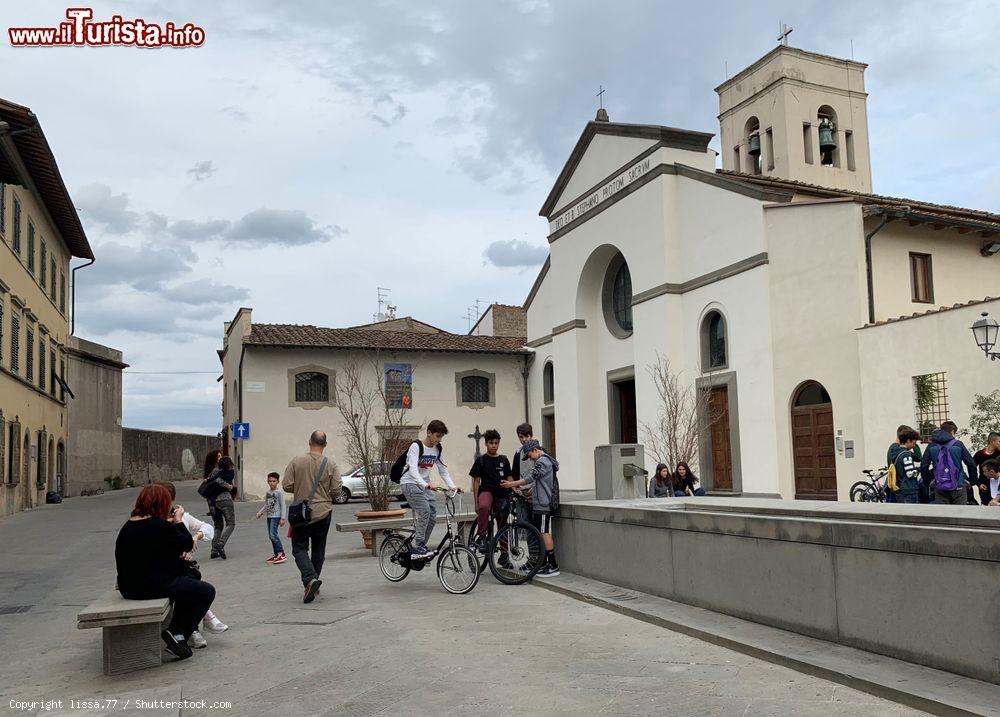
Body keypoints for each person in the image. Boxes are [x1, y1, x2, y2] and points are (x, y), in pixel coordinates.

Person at [115, 484, 215, 661]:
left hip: (128, 586)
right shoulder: (159, 525)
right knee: (205, 591)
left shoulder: (128, 526)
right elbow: (186, 544)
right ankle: (178, 632)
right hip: (151, 586)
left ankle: (177, 634)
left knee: (188, 580)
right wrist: (178, 520)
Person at [155, 481, 228, 646]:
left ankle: (195, 628)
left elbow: (207, 527)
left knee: (192, 575)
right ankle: (200, 623)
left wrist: (196, 536)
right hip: (169, 573)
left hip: (181, 570)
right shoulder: (156, 522)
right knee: (192, 579)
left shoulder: (182, 517)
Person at [282, 430, 341, 604]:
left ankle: (309, 579)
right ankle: (312, 580)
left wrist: (301, 488)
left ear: (309, 442)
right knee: (319, 548)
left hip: (301, 512)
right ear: (325, 444)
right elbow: (337, 490)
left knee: (299, 548)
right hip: (323, 511)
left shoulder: (297, 461)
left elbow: (286, 485)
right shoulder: (331, 464)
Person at [400, 420, 459, 560]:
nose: (439, 440)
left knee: (432, 516)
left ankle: (420, 547)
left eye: (441, 437)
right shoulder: (416, 446)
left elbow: (443, 470)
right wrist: (425, 484)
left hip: (424, 485)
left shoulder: (438, 449)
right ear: (429, 433)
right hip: (410, 482)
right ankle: (419, 545)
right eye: (437, 436)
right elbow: (413, 470)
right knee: (425, 510)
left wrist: (453, 486)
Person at [502, 440, 559, 577]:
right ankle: (544, 563)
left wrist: (511, 484)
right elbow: (539, 481)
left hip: (544, 504)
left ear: (534, 450)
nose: (530, 459)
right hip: (539, 503)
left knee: (544, 533)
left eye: (529, 455)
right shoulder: (544, 461)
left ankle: (553, 565)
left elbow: (530, 478)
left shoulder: (542, 461)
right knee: (540, 532)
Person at [469, 429, 512, 550]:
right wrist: (476, 502)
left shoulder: (504, 459)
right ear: (486, 444)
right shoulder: (481, 460)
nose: (494, 445)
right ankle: (482, 536)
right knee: (484, 507)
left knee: (503, 523)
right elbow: (476, 481)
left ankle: (504, 554)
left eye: (496, 443)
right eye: (491, 443)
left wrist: (514, 488)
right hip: (486, 491)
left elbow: (509, 477)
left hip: (502, 494)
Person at [920, 421, 977, 505]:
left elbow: (924, 466)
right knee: (960, 514)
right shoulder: (958, 444)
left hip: (940, 486)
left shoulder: (931, 446)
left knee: (942, 514)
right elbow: (970, 463)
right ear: (952, 432)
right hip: (959, 485)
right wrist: (972, 481)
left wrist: (927, 481)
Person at [887, 425, 926, 502]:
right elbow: (910, 473)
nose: (914, 445)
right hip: (909, 489)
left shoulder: (896, 452)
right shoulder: (906, 454)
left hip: (900, 488)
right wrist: (918, 470)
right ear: (908, 441)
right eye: (914, 443)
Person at [255, 472, 288, 564]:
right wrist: (260, 512)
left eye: (274, 481)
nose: (272, 483)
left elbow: (283, 506)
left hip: (276, 516)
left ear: (278, 482)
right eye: (270, 481)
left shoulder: (279, 493)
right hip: (269, 516)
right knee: (271, 536)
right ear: (267, 481)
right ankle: (276, 554)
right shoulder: (268, 492)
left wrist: (283, 518)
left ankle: (281, 553)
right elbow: (267, 504)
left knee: (273, 535)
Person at [210, 456, 237, 559]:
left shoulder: (214, 471)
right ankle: (220, 544)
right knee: (231, 524)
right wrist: (229, 486)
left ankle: (214, 551)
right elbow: (228, 485)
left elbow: (211, 482)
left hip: (213, 502)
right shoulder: (229, 471)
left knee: (218, 525)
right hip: (225, 499)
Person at [511, 423, 536, 523]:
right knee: (523, 525)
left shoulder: (538, 451)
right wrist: (516, 489)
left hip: (535, 493)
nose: (524, 439)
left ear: (531, 435)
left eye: (526, 436)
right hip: (522, 494)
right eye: (521, 437)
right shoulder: (518, 453)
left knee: (536, 526)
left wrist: (535, 489)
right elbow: (514, 474)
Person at [973, 432, 1000, 506]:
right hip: (984, 486)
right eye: (999, 441)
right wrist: (978, 484)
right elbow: (972, 469)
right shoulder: (979, 454)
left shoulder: (998, 453)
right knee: (987, 507)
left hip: (997, 485)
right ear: (992, 441)